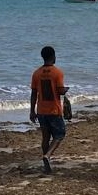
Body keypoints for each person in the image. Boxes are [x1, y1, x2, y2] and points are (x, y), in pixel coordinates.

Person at [29, 45, 69, 174]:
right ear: (53, 57)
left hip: (41, 110)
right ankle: (48, 155)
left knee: (45, 137)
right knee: (59, 134)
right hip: (54, 110)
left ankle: (46, 163)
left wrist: (32, 111)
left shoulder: (36, 73)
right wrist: (65, 90)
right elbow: (59, 91)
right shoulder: (57, 73)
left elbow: (34, 94)